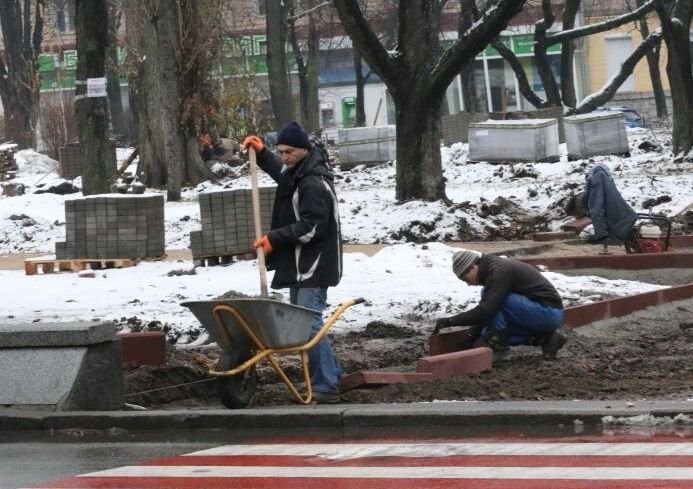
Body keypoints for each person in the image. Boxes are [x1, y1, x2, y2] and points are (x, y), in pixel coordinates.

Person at [242, 121, 343, 404]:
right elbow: (281, 173)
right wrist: (262, 154)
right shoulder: (299, 171)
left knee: (309, 325)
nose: (284, 157)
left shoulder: (313, 182)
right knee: (304, 325)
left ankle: (326, 384)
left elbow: (313, 227)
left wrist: (274, 238)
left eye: (288, 152)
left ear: (303, 150)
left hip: (314, 264)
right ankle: (330, 375)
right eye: (280, 151)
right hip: (300, 264)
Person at [433, 249, 566, 360]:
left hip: (548, 311)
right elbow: (487, 311)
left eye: (465, 278)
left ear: (473, 266)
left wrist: (450, 321)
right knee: (488, 334)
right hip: (540, 313)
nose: (468, 284)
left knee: (494, 299)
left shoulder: (499, 271)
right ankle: (547, 339)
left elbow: (485, 312)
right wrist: (470, 338)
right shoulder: (494, 271)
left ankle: (501, 351)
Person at [581, 163, 637, 243]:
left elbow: (596, 206)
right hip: (624, 214)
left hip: (617, 218)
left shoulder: (597, 178)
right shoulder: (605, 177)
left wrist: (601, 233)